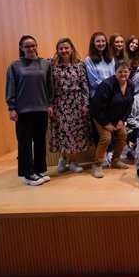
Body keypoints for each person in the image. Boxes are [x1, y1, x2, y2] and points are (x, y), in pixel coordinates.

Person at [6, 35, 54, 186]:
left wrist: (50, 104)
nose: (31, 48)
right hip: (23, 110)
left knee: (40, 140)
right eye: (27, 46)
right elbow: (10, 87)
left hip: (41, 108)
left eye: (33, 45)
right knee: (25, 142)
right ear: (21, 48)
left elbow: (49, 86)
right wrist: (11, 108)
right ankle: (28, 174)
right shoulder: (15, 66)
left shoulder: (45, 64)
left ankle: (40, 169)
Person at [49, 37, 92, 175]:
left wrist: (86, 104)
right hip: (59, 103)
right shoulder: (52, 65)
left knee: (76, 133)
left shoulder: (80, 65)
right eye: (61, 48)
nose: (64, 50)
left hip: (77, 103)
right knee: (62, 132)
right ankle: (62, 159)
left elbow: (85, 86)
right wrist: (49, 104)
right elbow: (48, 85)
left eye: (66, 48)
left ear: (72, 49)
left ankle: (73, 161)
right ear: (57, 50)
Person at [90, 61, 135, 178]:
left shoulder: (130, 85)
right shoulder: (107, 84)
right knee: (106, 137)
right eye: (120, 71)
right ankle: (97, 164)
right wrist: (106, 124)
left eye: (125, 71)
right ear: (115, 72)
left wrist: (122, 120)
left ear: (129, 73)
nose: (123, 74)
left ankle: (115, 160)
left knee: (123, 134)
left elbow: (129, 105)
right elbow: (97, 106)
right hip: (100, 116)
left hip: (117, 117)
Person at [85, 31, 115, 97]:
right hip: (97, 95)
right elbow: (93, 82)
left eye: (103, 41)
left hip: (111, 94)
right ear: (93, 43)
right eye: (98, 41)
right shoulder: (88, 60)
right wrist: (108, 88)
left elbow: (114, 77)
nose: (101, 43)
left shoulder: (111, 58)